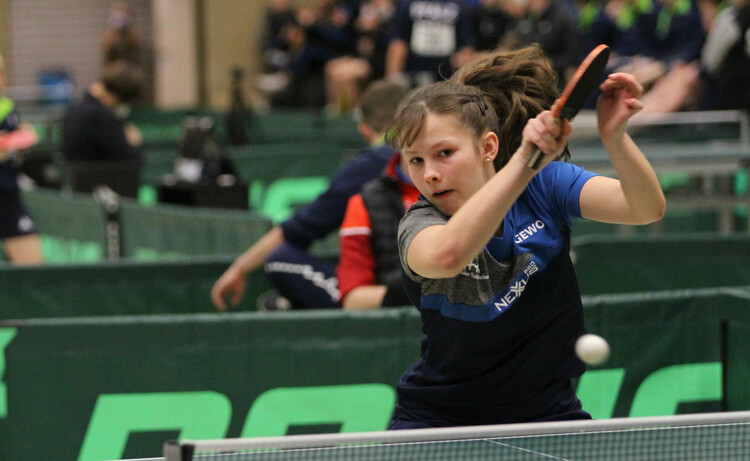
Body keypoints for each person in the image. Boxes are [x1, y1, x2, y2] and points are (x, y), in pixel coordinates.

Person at [385, 45, 665, 428]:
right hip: (439, 421)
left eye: (444, 153)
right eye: (416, 160)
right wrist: (525, 161)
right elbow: (448, 256)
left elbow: (645, 209)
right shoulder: (419, 223)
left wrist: (615, 138)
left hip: (548, 412)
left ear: (488, 147)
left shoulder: (544, 186)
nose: (429, 173)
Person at [211, 79, 409, 311]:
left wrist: (240, 267)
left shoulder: (368, 165)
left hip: (386, 298)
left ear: (364, 130)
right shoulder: (429, 162)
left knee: (280, 260)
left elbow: (296, 231)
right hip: (415, 288)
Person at [337, 151, 420, 309]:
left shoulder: (468, 197)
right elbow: (353, 300)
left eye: (446, 153)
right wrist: (408, 291)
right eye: (418, 159)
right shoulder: (364, 202)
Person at [0, 53, 43, 265]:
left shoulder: (7, 107)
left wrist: (22, 140)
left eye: (1, 73)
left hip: (8, 198)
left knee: (33, 271)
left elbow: (13, 156)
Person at [61, 60, 145, 164]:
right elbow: (131, 161)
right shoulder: (100, 117)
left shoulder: (76, 109)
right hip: (98, 174)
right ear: (114, 97)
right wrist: (134, 144)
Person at [385, 0, 477, 87]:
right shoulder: (458, 6)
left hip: (424, 77)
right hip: (440, 79)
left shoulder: (408, 4)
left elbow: (398, 46)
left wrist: (392, 82)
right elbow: (466, 49)